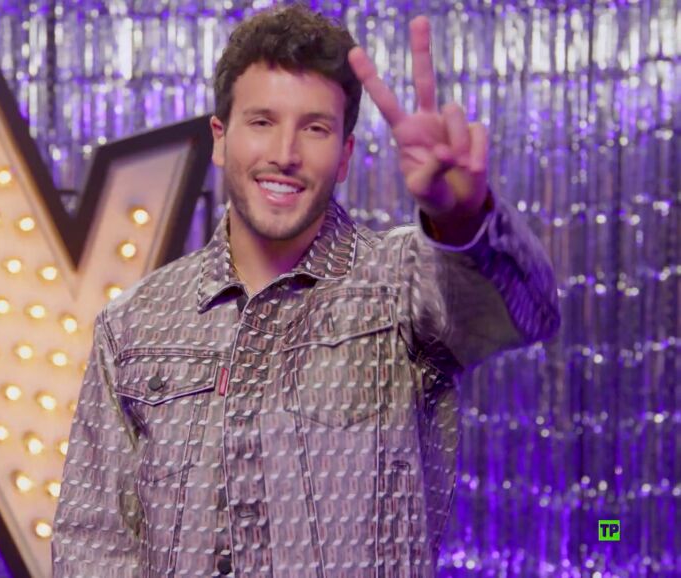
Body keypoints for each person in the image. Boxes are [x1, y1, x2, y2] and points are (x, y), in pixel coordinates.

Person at [52, 4, 560, 577]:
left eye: (315, 128)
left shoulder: (402, 286)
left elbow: (529, 311)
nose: (285, 154)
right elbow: (92, 545)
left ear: (344, 155)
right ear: (220, 138)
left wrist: (462, 218)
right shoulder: (135, 323)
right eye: (262, 122)